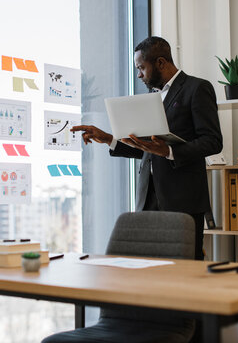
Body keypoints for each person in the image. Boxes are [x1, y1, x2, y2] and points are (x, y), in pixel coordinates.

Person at [71, 36, 223, 260]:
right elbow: (147, 149)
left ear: (161, 63)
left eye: (141, 67)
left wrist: (169, 151)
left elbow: (212, 141)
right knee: (149, 266)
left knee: (182, 272)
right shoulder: (152, 97)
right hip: (148, 199)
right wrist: (110, 139)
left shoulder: (197, 88)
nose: (139, 74)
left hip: (183, 200)